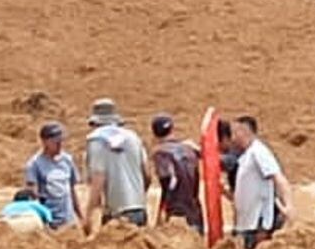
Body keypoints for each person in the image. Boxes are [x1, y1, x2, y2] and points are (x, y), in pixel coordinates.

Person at [83, 98, 152, 230]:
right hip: (139, 209)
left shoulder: (97, 141)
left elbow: (98, 180)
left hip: (116, 213)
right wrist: (138, 196)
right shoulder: (133, 137)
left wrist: (88, 215)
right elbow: (147, 175)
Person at [229, 115, 290, 249]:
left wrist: (288, 206)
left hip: (257, 220)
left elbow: (279, 178)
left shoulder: (259, 152)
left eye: (235, 132)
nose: (233, 137)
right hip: (247, 220)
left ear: (244, 131)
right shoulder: (247, 155)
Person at [22, 121, 81, 230]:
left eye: (61, 141)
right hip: (50, 224)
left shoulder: (67, 160)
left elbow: (72, 191)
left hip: (69, 223)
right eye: (55, 142)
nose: (60, 145)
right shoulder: (34, 165)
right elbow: (33, 197)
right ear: (44, 142)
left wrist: (80, 217)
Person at [152, 114, 204, 232]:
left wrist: (161, 213)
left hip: (176, 213)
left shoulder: (160, 153)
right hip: (195, 210)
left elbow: (169, 182)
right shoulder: (190, 149)